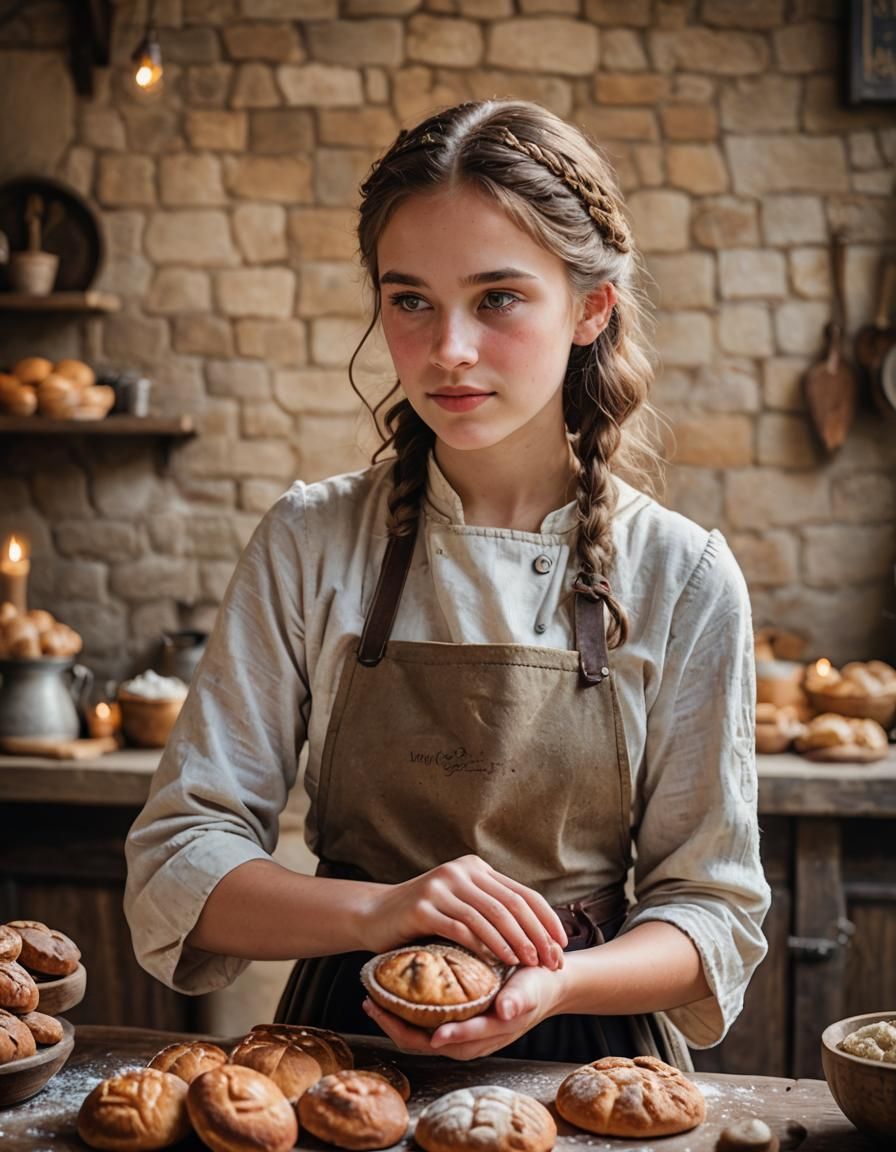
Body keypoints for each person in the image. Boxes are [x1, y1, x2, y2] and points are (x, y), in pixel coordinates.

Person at [124, 99, 769, 1068]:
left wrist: (552, 984)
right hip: (340, 1047)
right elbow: (176, 861)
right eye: (409, 299)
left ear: (590, 307)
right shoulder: (308, 542)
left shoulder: (681, 577)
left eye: (496, 298)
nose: (446, 351)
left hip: (585, 1061)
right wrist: (381, 911)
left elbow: (711, 916)